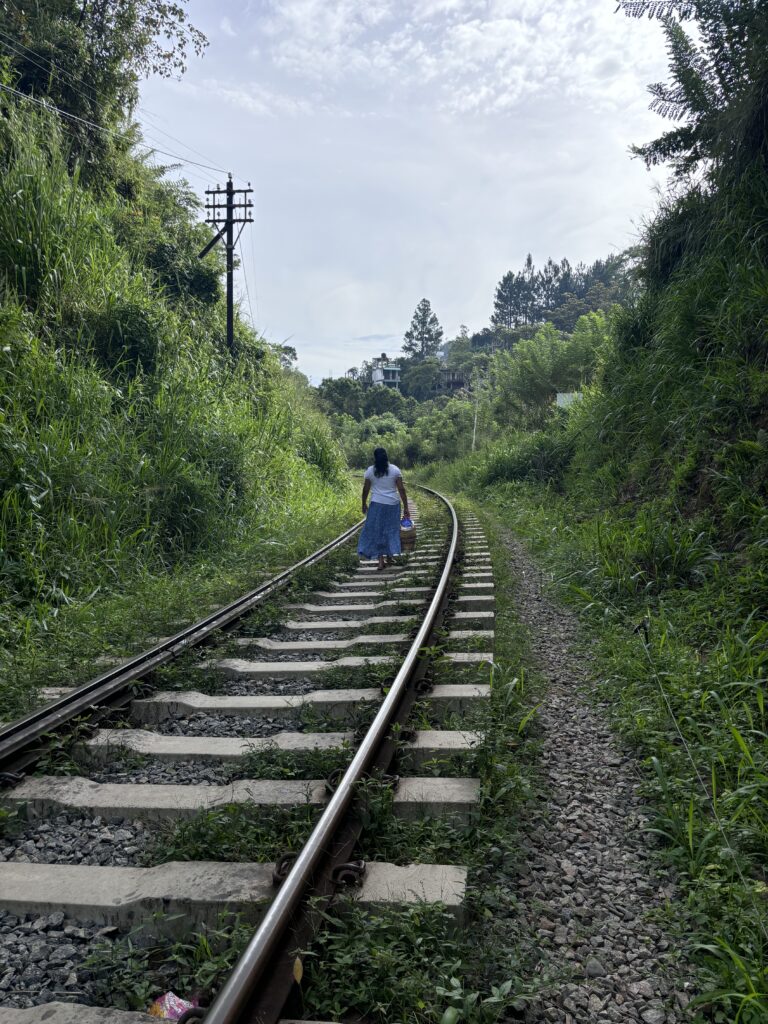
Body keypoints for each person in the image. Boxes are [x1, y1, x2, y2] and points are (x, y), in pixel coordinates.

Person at [357, 447, 410, 570]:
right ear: (386, 456)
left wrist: (363, 503)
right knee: (391, 529)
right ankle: (390, 557)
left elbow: (366, 489)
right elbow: (401, 489)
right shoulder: (395, 470)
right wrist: (406, 506)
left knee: (378, 531)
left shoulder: (370, 471)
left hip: (377, 504)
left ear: (375, 458)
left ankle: (381, 561)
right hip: (393, 504)